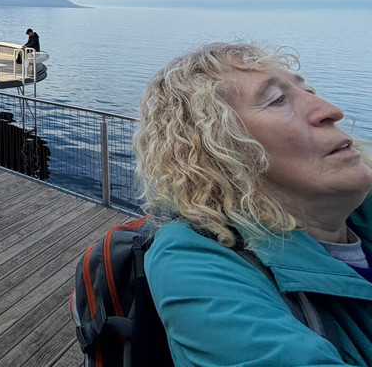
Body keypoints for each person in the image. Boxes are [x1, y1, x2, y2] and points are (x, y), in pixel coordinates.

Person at [135, 42, 372, 366]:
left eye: (309, 91)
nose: (331, 110)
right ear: (220, 150)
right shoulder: (196, 261)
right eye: (278, 100)